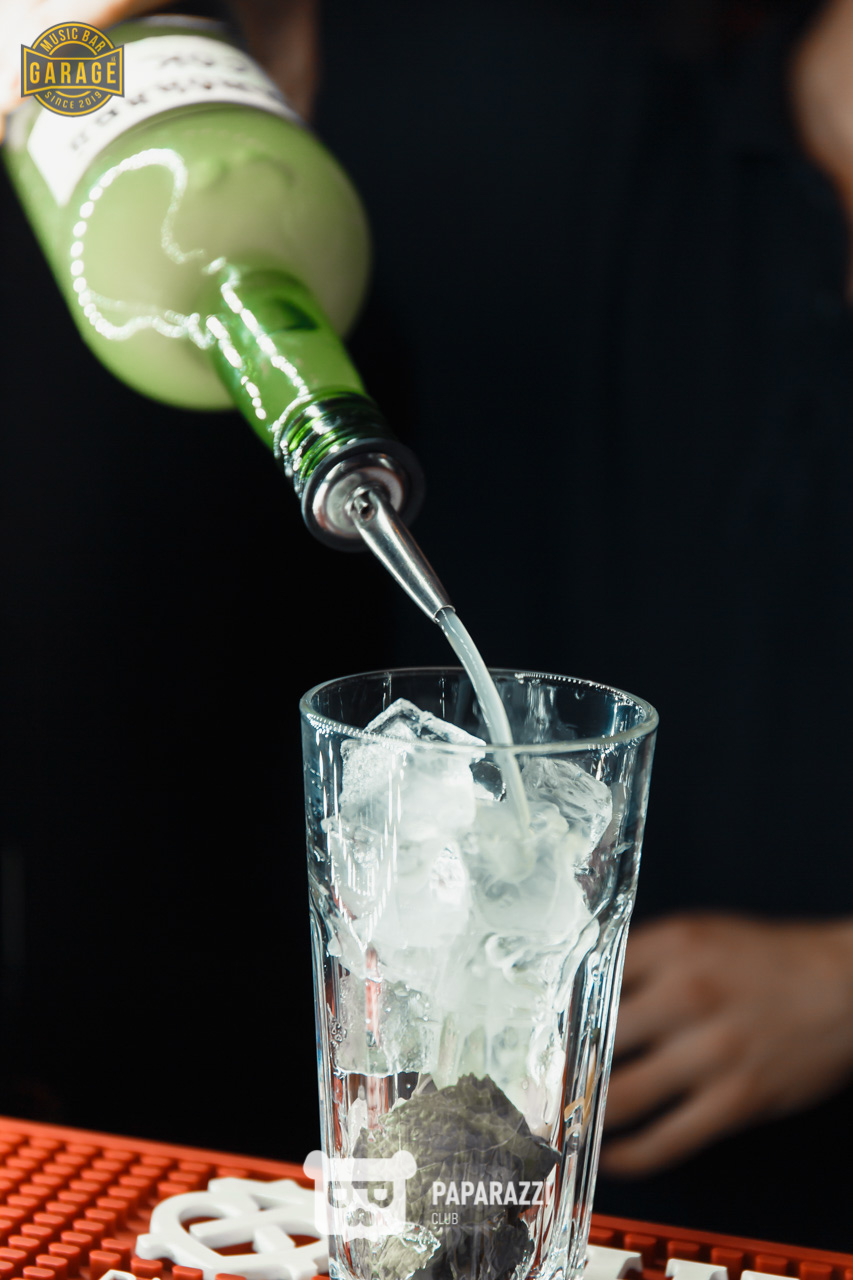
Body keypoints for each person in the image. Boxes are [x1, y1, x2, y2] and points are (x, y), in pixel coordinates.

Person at [2, 0, 853, 1250]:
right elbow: (49, 54)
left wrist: (840, 979)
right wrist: (61, 55)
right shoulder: (515, 83)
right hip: (392, 1179)